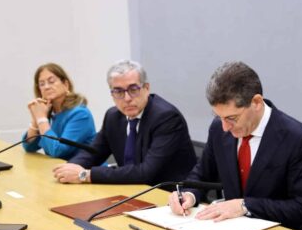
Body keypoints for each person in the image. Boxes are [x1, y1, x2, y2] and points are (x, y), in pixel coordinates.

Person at [169, 61, 302, 230]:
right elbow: (202, 175)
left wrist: (245, 206)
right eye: (218, 116)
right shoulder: (218, 129)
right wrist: (188, 195)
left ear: (256, 102)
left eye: (231, 118)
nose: (225, 127)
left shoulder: (296, 138)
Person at [53, 60, 196, 184]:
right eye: (119, 92)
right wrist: (70, 168)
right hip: (130, 190)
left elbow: (146, 172)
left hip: (168, 195)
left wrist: (84, 175)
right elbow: (93, 153)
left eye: (133, 89)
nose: (127, 98)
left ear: (146, 88)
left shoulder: (166, 118)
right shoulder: (113, 117)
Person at [22, 63, 96, 159]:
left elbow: (57, 151)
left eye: (51, 81)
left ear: (65, 84)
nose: (46, 87)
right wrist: (35, 118)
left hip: (84, 167)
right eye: (42, 84)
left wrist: (41, 119)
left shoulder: (80, 114)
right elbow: (29, 147)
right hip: (59, 167)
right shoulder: (49, 112)